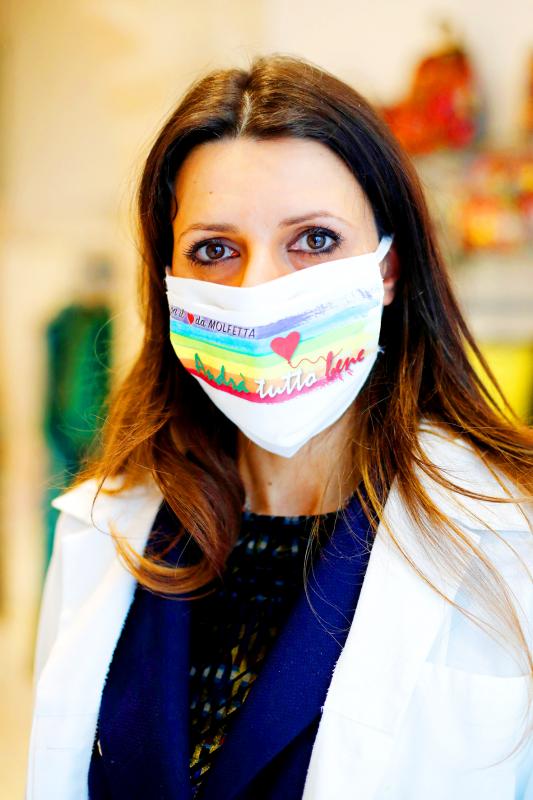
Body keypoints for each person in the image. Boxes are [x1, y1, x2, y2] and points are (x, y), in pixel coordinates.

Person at [26, 54, 532, 800]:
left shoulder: (509, 539)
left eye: (315, 240)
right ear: (167, 283)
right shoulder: (105, 530)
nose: (260, 290)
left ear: (388, 270)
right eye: (215, 250)